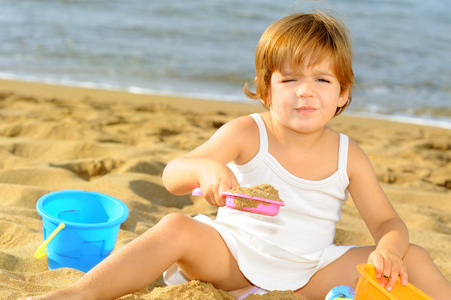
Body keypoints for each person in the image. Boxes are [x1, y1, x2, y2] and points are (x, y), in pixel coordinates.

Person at [23, 11, 451, 300]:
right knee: (176, 226)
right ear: (266, 89)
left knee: (413, 256)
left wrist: (390, 249)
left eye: (322, 79)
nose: (305, 91)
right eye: (289, 79)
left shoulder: (347, 155)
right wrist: (207, 169)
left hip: (309, 274)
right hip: (234, 259)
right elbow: (174, 174)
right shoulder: (250, 131)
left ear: (342, 95)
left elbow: (387, 222)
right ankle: (81, 293)